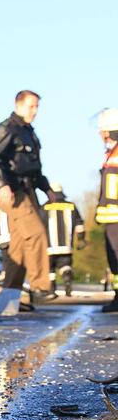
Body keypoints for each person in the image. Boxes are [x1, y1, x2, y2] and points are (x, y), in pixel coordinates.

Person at [0, 90, 57, 304]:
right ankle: (41, 287)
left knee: (18, 245)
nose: (35, 111)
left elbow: (35, 168)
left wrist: (47, 189)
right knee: (36, 234)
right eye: (31, 106)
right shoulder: (7, 129)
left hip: (28, 190)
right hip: (12, 191)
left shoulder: (29, 133)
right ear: (19, 105)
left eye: (37, 107)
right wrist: (3, 185)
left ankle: (10, 296)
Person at [41, 182, 85, 296]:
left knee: (50, 268)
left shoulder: (45, 207)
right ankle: (67, 278)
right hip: (66, 246)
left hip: (49, 247)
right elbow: (79, 224)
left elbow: (38, 226)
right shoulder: (71, 206)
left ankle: (51, 289)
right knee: (65, 265)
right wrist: (81, 239)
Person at [95, 108, 118, 312]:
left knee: (116, 256)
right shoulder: (112, 153)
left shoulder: (115, 155)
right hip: (112, 217)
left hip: (115, 217)